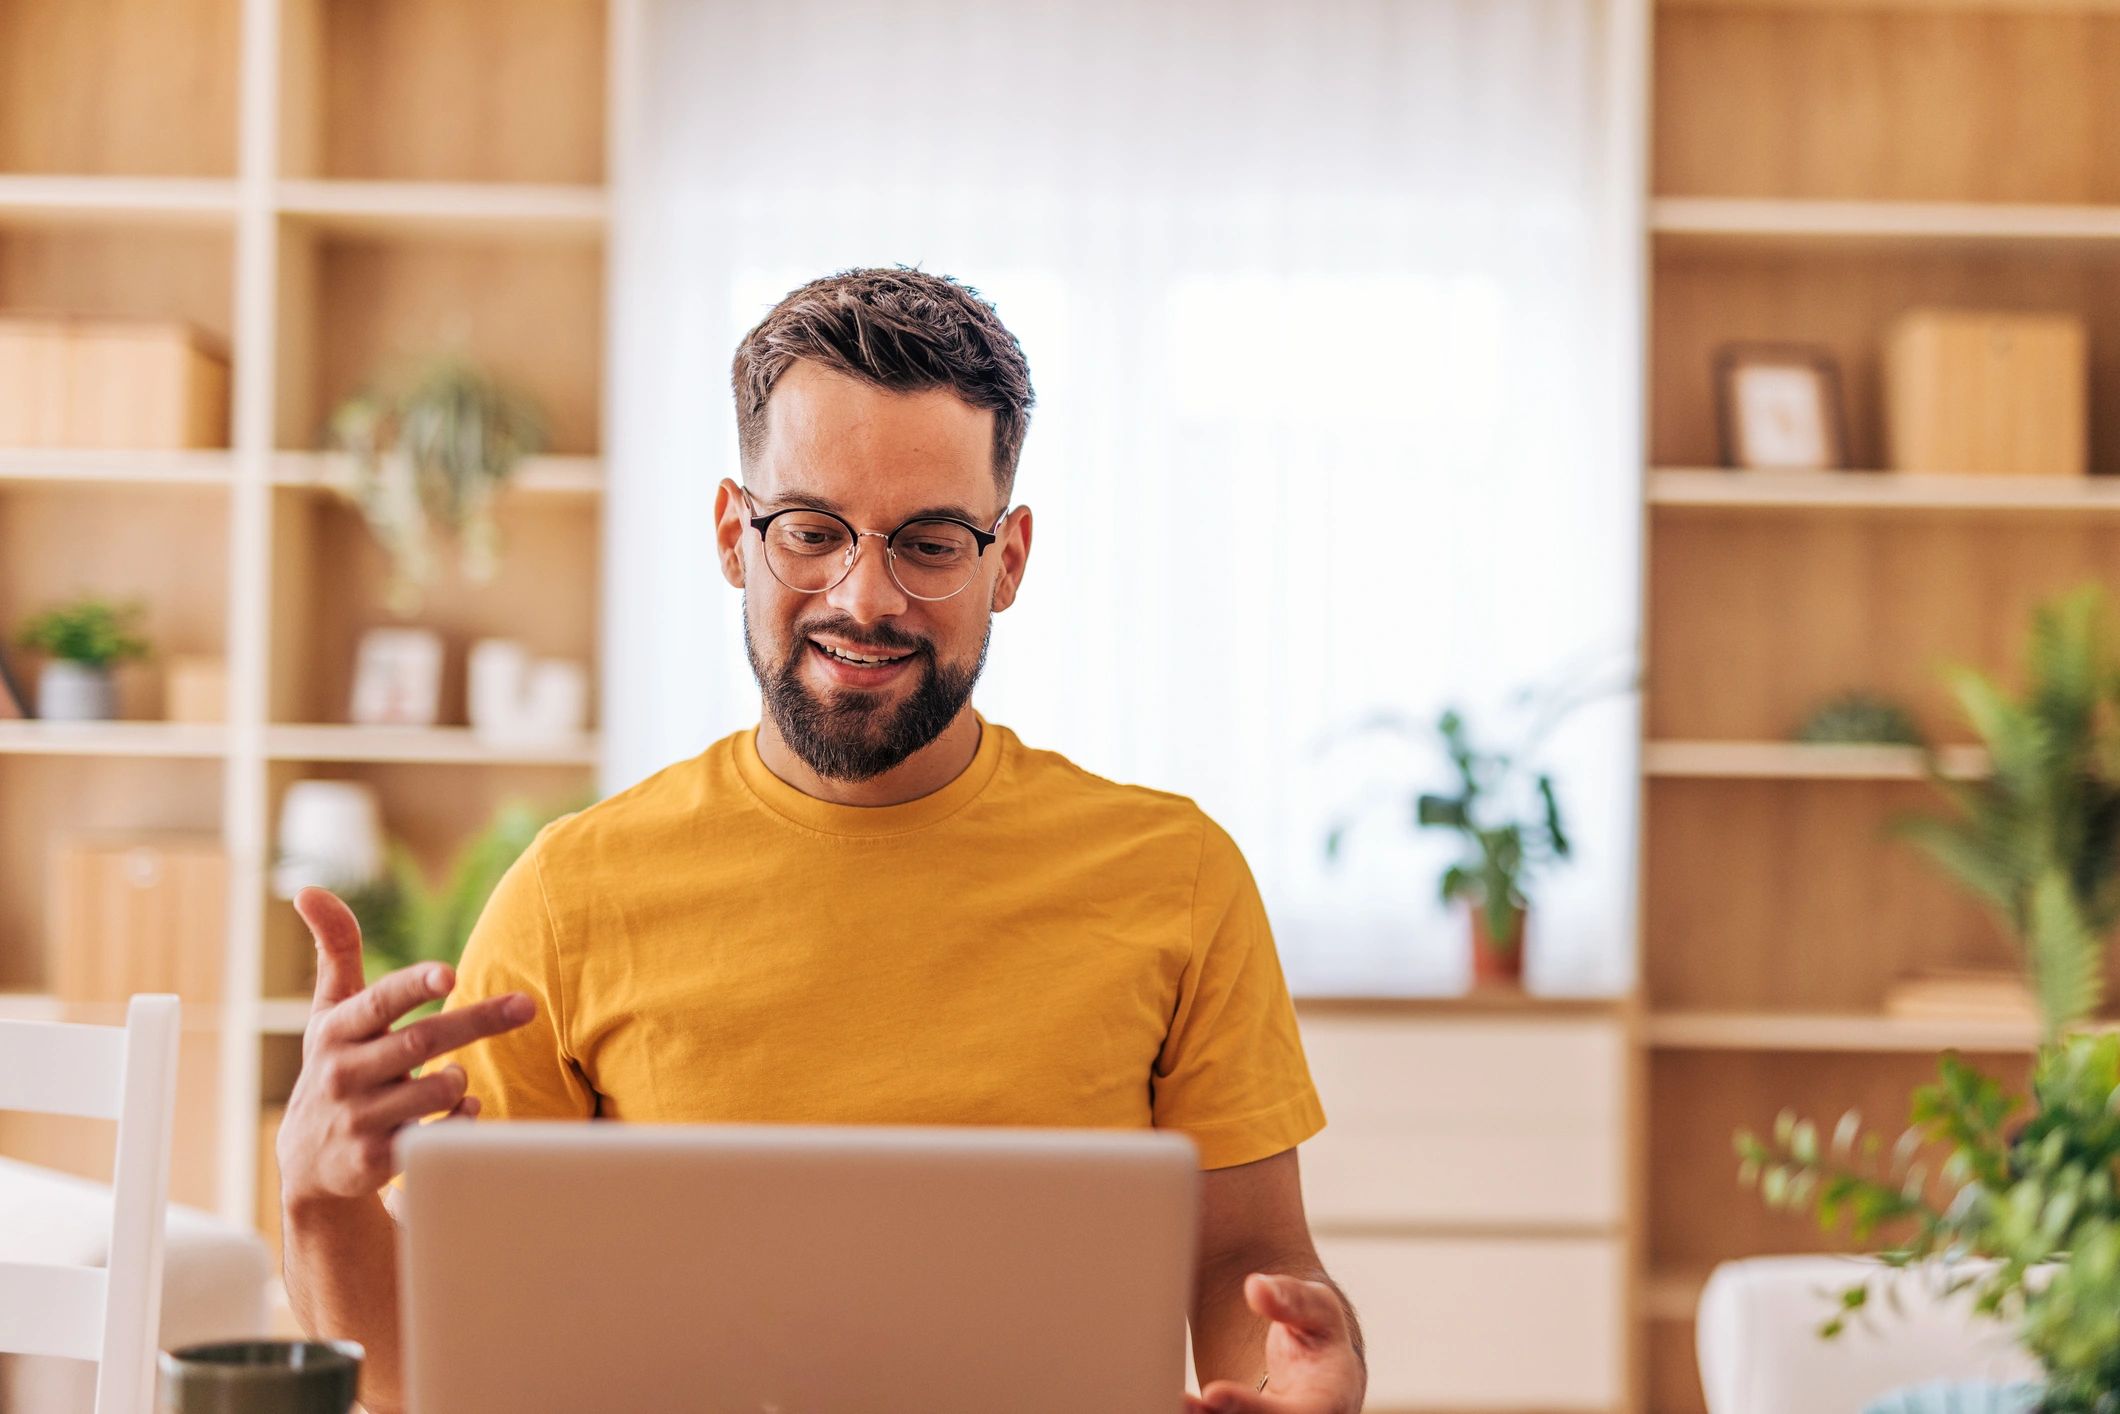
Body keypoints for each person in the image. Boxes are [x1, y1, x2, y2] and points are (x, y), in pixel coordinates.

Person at [276, 266, 1368, 1414]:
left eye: (930, 542)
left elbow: (1246, 1262)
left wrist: (1292, 1380)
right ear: (732, 535)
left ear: (1006, 560)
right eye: (810, 530)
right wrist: (319, 1196)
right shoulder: (570, 894)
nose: (864, 598)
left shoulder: (1174, 876)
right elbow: (431, 1370)